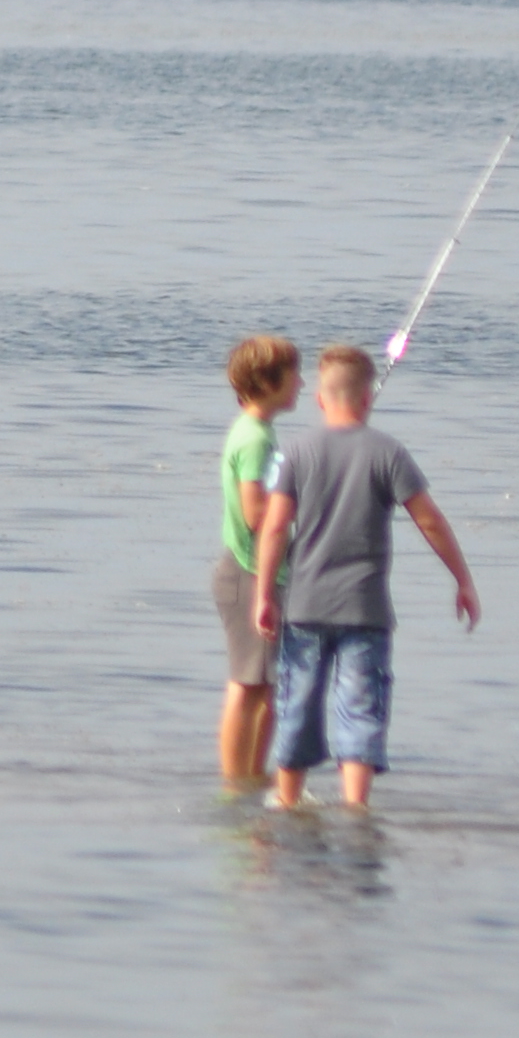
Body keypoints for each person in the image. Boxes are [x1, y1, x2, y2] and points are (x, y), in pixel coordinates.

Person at [253, 343, 479, 812]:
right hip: (365, 610)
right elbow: (430, 519)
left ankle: (287, 800)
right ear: (367, 398)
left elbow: (274, 527)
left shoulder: (295, 451)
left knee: (297, 704)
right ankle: (356, 809)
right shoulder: (388, 452)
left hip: (305, 606)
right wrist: (463, 579)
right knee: (360, 708)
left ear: (320, 398)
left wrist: (263, 595)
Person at [210, 335, 303, 785]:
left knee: (266, 684)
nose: (302, 384)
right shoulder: (256, 439)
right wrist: (300, 505)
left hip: (257, 571)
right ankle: (237, 780)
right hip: (249, 573)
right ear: (269, 382)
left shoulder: (260, 432)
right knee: (249, 684)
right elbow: (255, 513)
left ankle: (254, 776)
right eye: (294, 375)